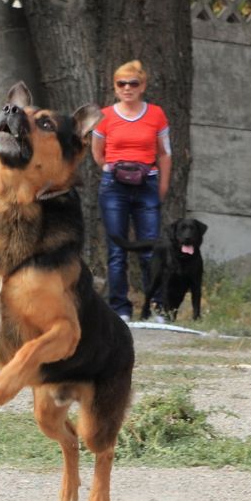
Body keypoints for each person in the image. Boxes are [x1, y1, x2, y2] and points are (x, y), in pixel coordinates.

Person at [91, 60, 171, 322]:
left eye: (133, 83)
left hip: (147, 182)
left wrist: (162, 185)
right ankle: (120, 308)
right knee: (117, 251)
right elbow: (97, 151)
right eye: (121, 83)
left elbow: (164, 153)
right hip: (114, 186)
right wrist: (109, 169)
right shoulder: (105, 116)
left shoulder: (156, 114)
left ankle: (157, 305)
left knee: (150, 247)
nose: (127, 88)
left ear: (143, 86)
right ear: (115, 87)